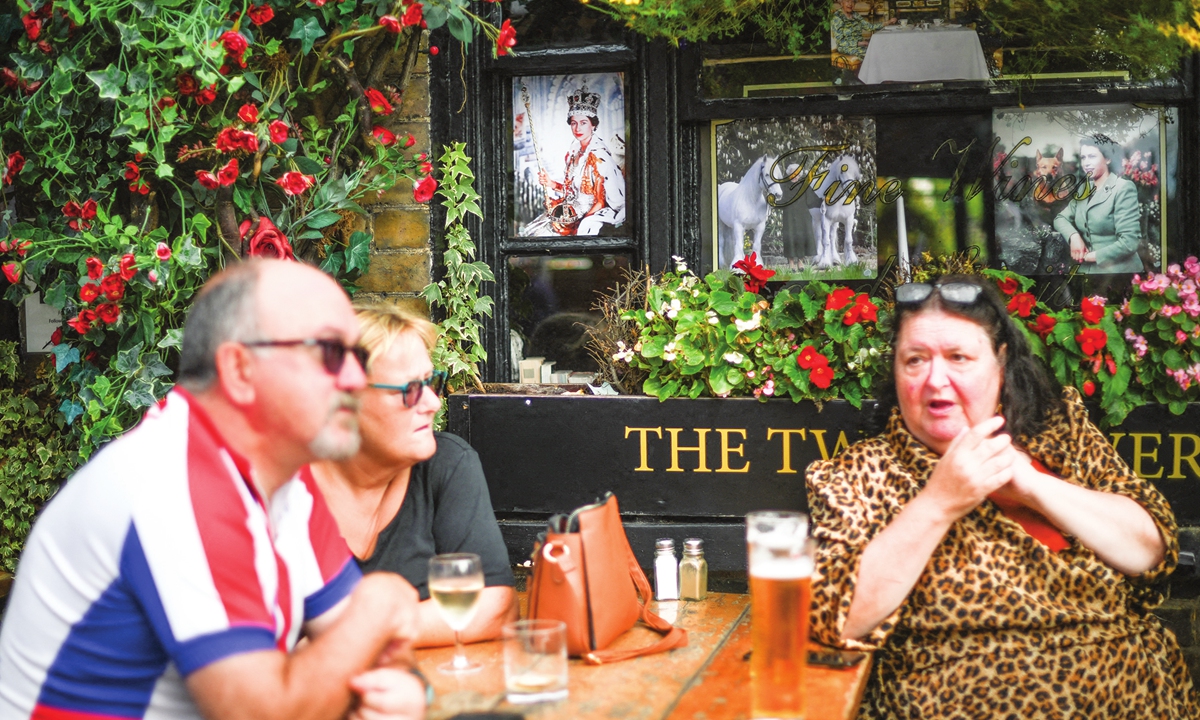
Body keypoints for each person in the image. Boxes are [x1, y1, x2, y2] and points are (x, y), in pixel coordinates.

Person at [0, 260, 427, 720]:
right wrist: (382, 600)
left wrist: (391, 685)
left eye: (357, 357)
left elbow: (368, 651)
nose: (353, 379)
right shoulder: (174, 481)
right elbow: (266, 712)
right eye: (327, 352)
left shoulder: (283, 476)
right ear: (240, 370)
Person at [806, 276, 1199, 718]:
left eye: (959, 357)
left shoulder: (1061, 433)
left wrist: (1031, 484)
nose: (936, 379)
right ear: (896, 371)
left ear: (1000, 362)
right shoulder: (859, 473)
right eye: (915, 360)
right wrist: (938, 503)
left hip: (1137, 697)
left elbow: (1153, 552)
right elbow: (836, 618)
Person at [308, 305, 516, 648]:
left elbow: (494, 606)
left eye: (431, 382)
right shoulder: (285, 490)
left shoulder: (446, 464)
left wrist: (355, 635)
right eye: (410, 389)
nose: (433, 403)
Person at [534, 84, 626, 236]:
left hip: (589, 213)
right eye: (574, 123)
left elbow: (600, 201)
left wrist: (579, 222)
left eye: (583, 123)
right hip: (571, 210)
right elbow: (572, 190)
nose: (578, 128)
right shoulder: (574, 153)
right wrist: (551, 184)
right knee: (538, 228)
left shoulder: (599, 158)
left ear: (593, 125)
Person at [1053, 134, 1144, 274]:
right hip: (1087, 275)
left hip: (1119, 274)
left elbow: (1129, 242)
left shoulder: (1123, 188)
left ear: (1107, 159)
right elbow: (1060, 219)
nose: (1086, 163)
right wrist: (1074, 237)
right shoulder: (1084, 189)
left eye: (1092, 156)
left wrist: (1091, 256)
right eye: (1083, 157)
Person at [831, 0, 894, 70]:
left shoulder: (855, 15)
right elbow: (840, 41)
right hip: (846, 47)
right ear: (841, 3)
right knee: (872, 54)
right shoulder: (837, 17)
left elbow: (869, 27)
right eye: (847, 1)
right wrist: (859, 43)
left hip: (860, 45)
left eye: (852, 2)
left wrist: (888, 22)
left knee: (879, 50)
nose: (850, 4)